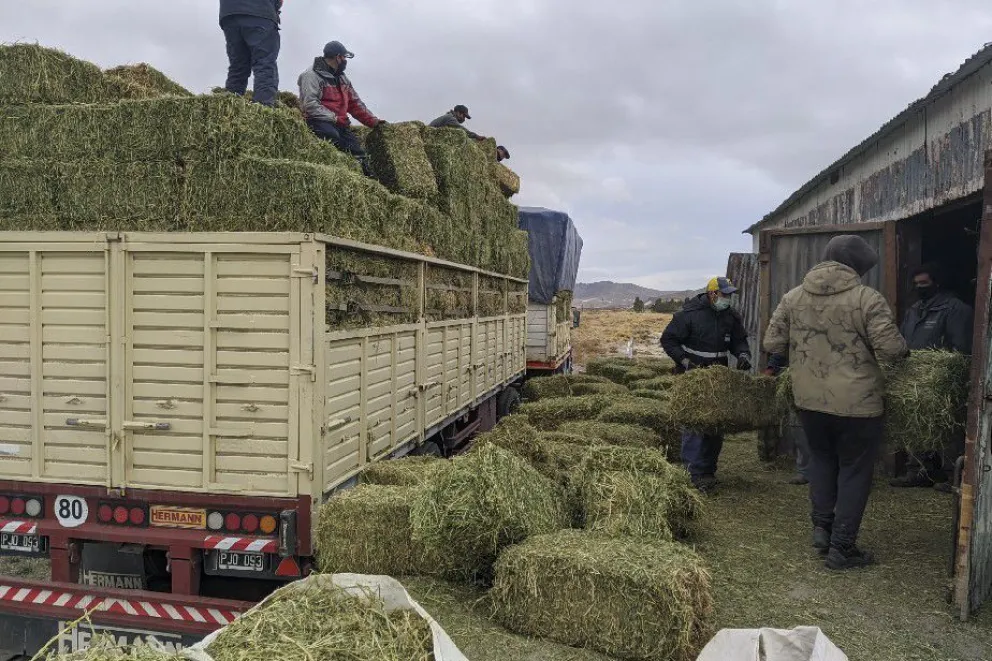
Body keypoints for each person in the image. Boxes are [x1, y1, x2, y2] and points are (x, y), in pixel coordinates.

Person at [764, 235, 908, 570]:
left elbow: (772, 342)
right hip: (858, 404)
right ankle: (842, 548)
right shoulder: (866, 298)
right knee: (855, 470)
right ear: (856, 266)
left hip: (809, 400)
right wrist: (905, 351)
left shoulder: (793, 297)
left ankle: (822, 530)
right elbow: (891, 350)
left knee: (822, 461)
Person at [661, 277, 751, 492]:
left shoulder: (730, 317)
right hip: (693, 378)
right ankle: (692, 475)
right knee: (695, 425)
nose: (727, 298)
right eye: (724, 294)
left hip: (718, 379)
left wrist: (743, 354)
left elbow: (739, 340)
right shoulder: (688, 315)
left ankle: (708, 471)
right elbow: (668, 340)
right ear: (712, 294)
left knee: (715, 426)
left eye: (729, 295)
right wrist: (683, 360)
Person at [891, 263, 974, 490]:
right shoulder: (914, 310)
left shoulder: (956, 309)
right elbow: (902, 340)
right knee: (917, 424)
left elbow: (962, 348)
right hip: (915, 379)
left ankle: (951, 475)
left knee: (947, 426)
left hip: (942, 379)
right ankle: (918, 471)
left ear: (937, 283)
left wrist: (946, 371)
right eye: (916, 284)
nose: (920, 288)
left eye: (924, 283)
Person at [298, 41, 385, 176]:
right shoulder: (311, 75)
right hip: (318, 121)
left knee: (358, 152)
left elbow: (355, 103)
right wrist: (335, 118)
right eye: (344, 57)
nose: (345, 61)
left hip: (340, 124)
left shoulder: (343, 79)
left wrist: (373, 121)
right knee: (332, 137)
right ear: (337, 57)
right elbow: (310, 105)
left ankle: (367, 180)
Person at [219, 0, 282, 107]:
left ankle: (230, 107)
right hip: (260, 11)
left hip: (229, 13)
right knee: (264, 63)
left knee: (238, 65)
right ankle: (262, 108)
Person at [764, 354, 811, 485]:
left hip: (828, 378)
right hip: (800, 376)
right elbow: (781, 346)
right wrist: (772, 367)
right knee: (798, 424)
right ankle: (805, 471)